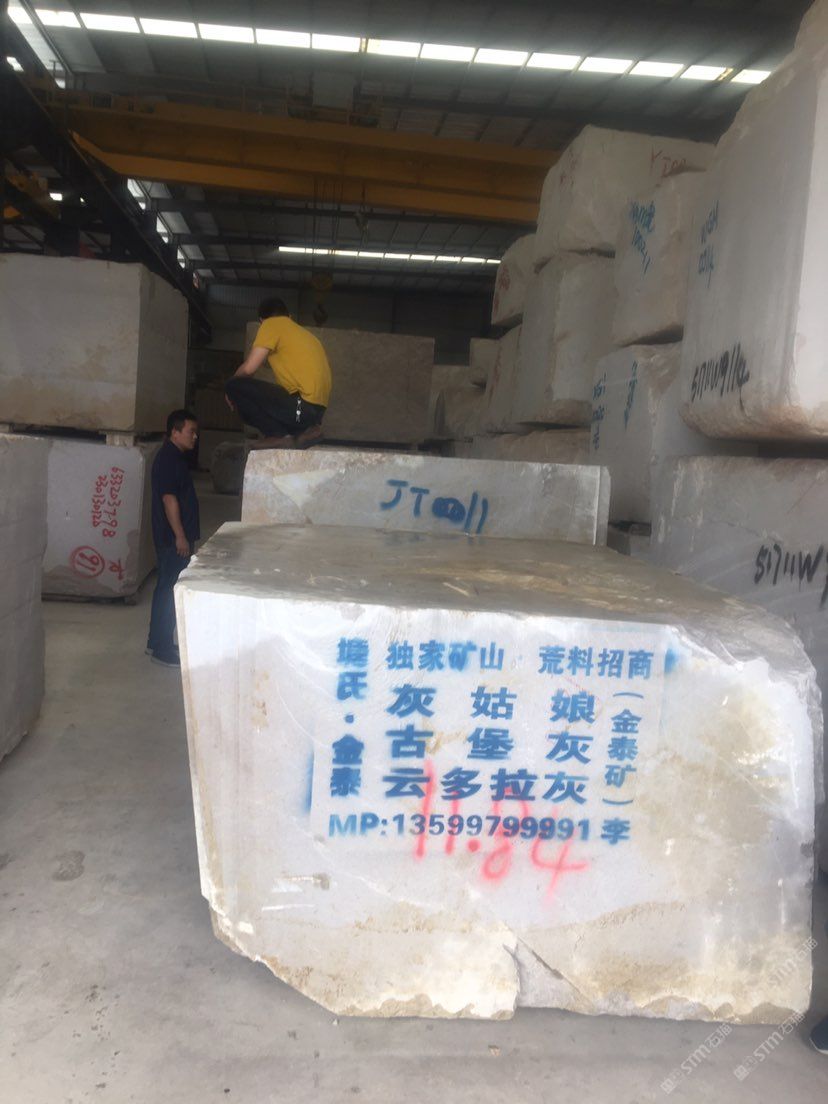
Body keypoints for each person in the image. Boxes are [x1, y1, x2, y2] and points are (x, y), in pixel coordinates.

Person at [225, 296, 331, 450]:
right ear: (289, 316)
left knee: (233, 385)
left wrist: (230, 390)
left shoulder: (271, 324)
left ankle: (276, 435)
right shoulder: (307, 336)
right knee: (276, 399)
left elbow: (249, 369)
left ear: (262, 320)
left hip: (300, 407)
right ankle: (305, 431)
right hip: (313, 413)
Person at [146, 409, 200, 668]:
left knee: (165, 589)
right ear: (175, 432)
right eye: (191, 431)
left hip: (173, 538)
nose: (195, 436)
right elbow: (169, 500)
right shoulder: (169, 459)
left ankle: (156, 641)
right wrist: (180, 536)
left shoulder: (175, 457)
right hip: (172, 540)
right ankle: (162, 649)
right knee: (169, 592)